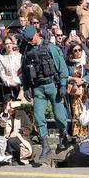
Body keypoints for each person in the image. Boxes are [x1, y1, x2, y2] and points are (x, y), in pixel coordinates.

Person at [23, 31, 72, 163]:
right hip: (38, 87)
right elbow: (25, 71)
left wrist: (62, 84)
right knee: (39, 117)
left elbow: (62, 66)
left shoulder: (50, 47)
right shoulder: (27, 51)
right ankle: (45, 146)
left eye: (30, 38)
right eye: (27, 38)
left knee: (60, 116)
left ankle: (64, 136)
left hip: (52, 85)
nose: (28, 41)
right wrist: (26, 87)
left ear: (36, 34)